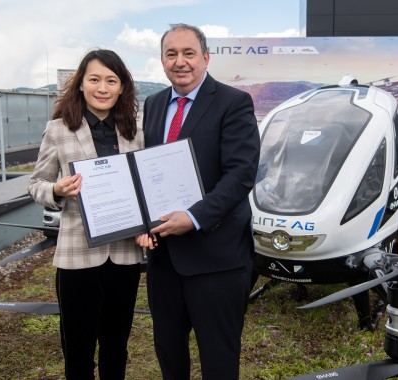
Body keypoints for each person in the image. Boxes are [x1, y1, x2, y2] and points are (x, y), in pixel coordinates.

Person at [136, 23, 260, 379]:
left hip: (217, 259)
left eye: (188, 53)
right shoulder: (155, 103)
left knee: (218, 360)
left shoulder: (233, 103)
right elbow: (149, 170)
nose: (180, 62)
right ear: (162, 61)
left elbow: (240, 175)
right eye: (171, 54)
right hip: (164, 259)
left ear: (205, 58)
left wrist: (193, 217)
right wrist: (142, 222)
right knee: (169, 354)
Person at [28, 49, 143, 380]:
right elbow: (36, 183)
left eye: (111, 80)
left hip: (124, 254)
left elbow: (143, 186)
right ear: (80, 84)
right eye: (94, 79)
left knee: (116, 345)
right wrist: (57, 191)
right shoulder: (59, 129)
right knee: (77, 349)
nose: (102, 87)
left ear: (122, 87)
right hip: (77, 256)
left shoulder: (136, 130)